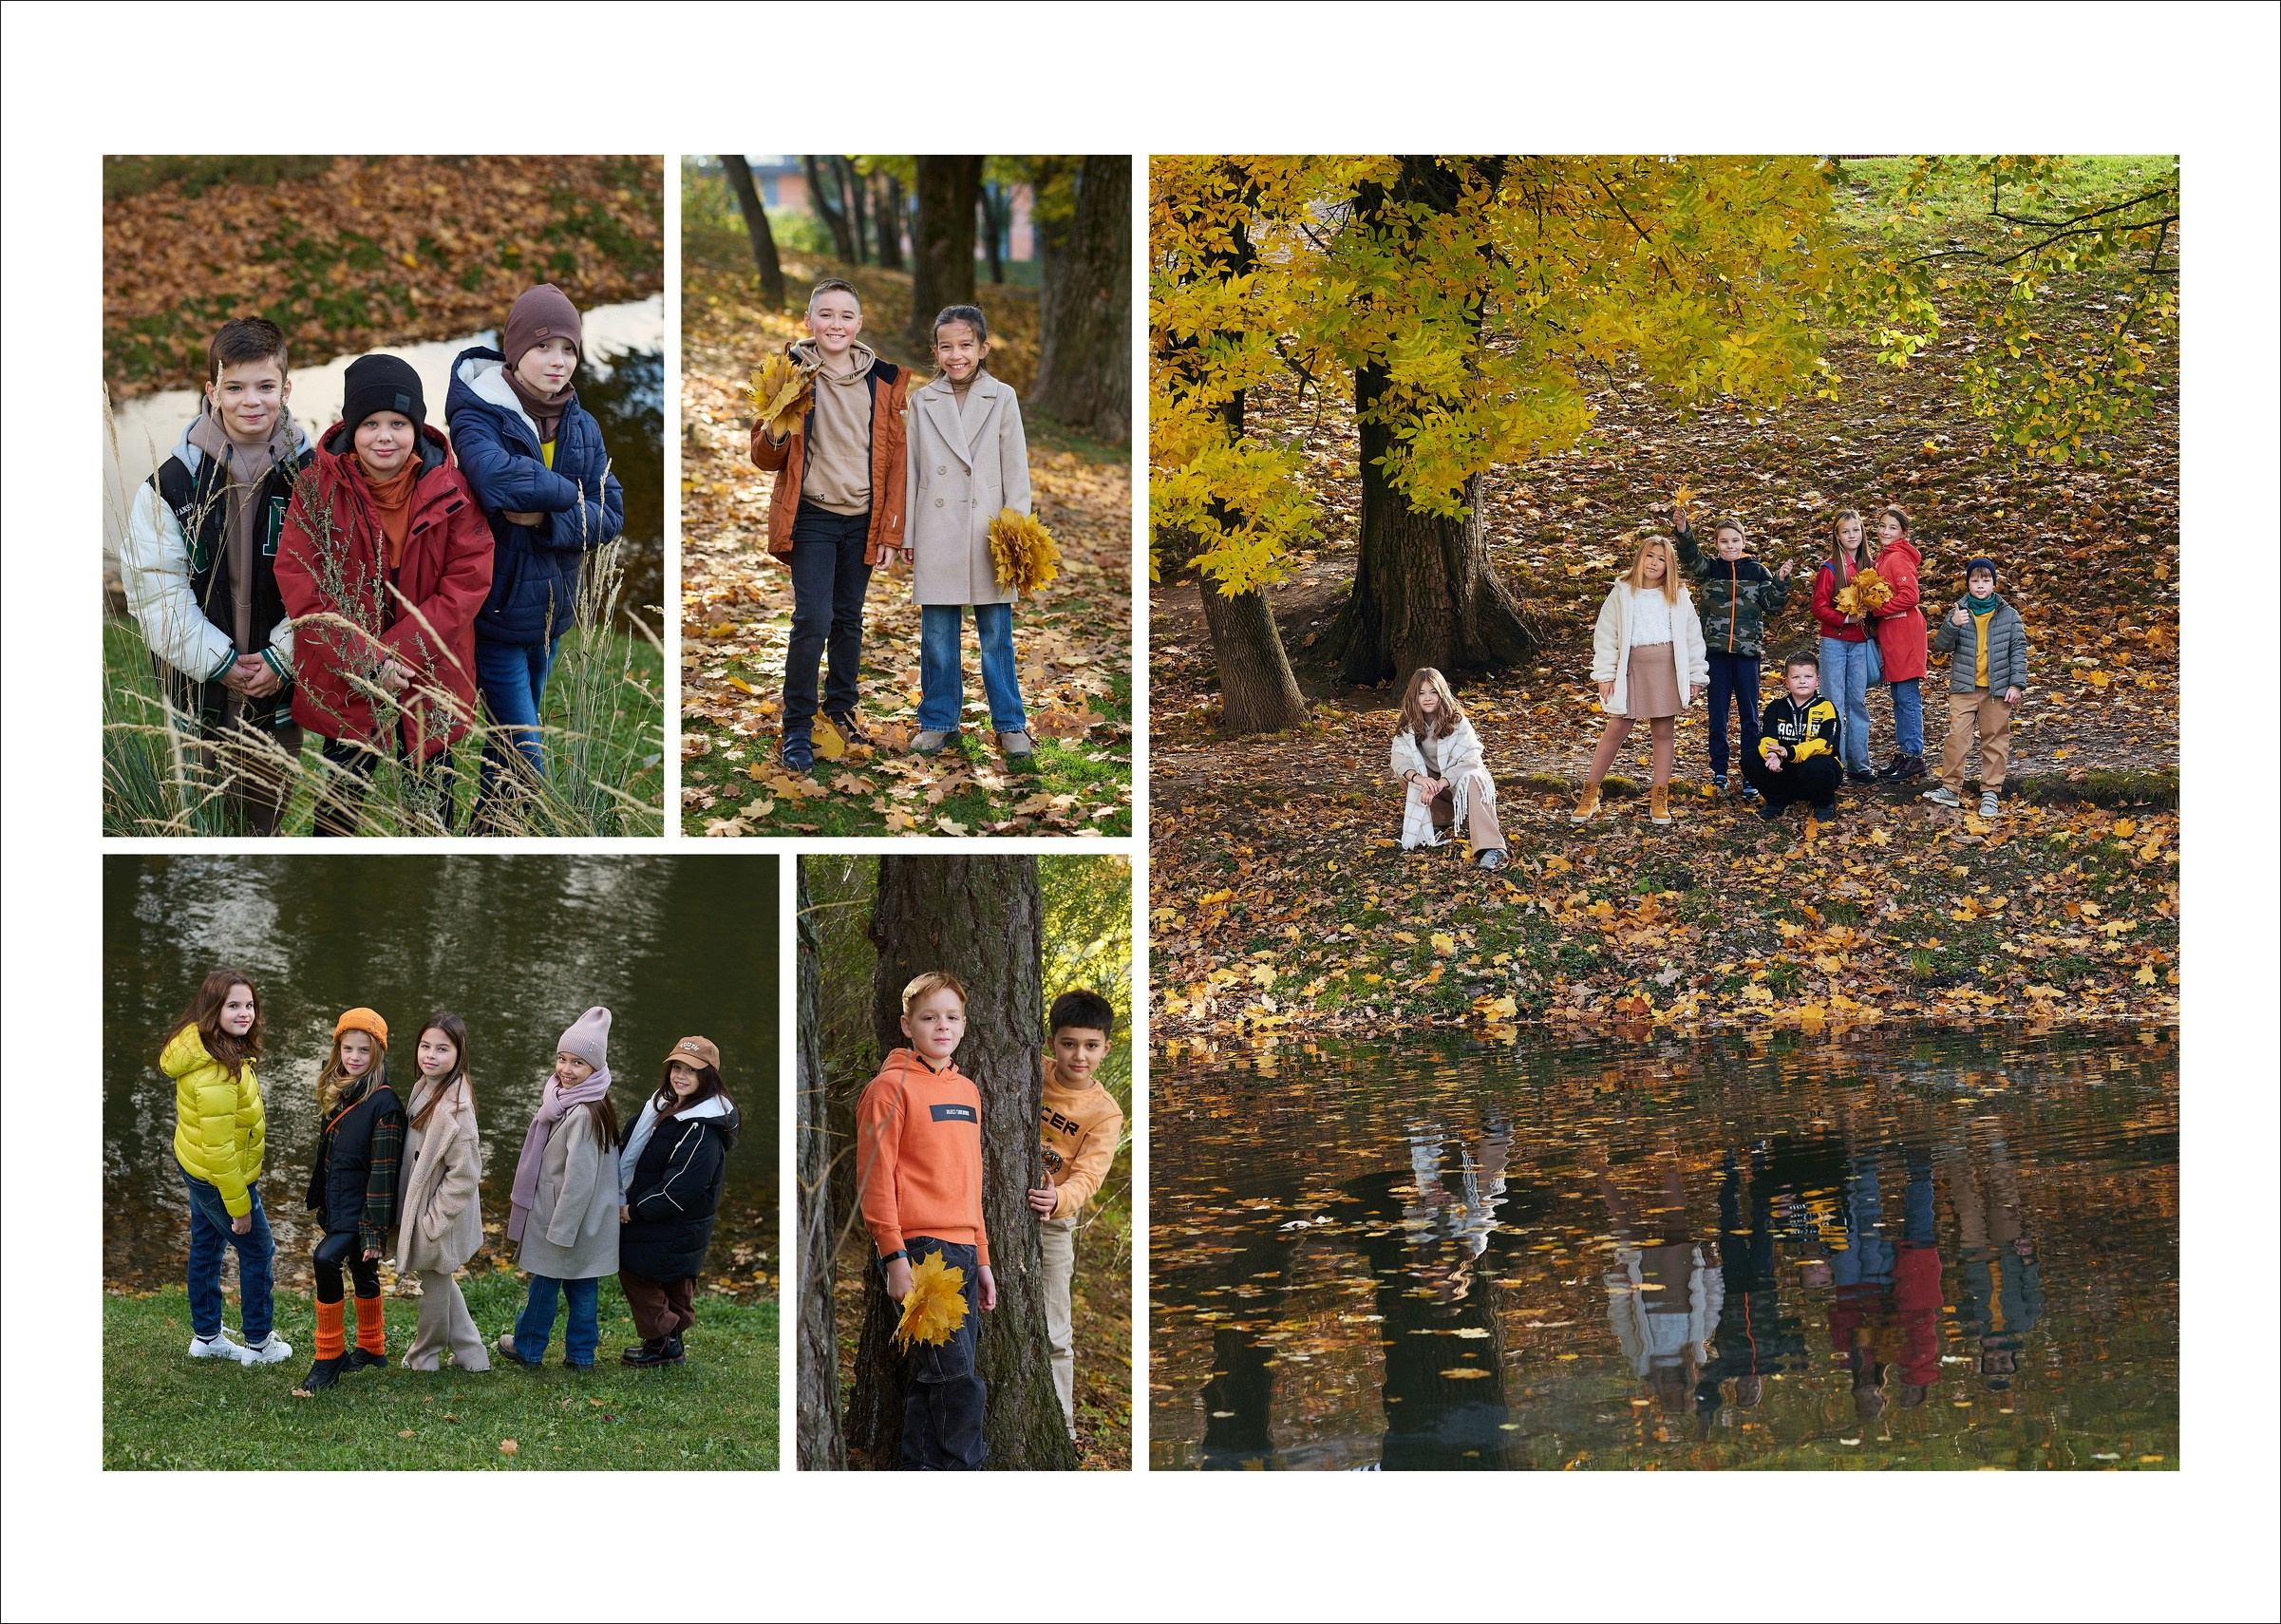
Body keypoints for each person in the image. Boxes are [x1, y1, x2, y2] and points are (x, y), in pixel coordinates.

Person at [274, 354, 494, 834]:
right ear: (351, 427)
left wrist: (395, 655)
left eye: (398, 422)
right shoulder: (316, 488)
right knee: (341, 801)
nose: (385, 436)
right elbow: (301, 583)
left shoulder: (450, 488)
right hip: (352, 674)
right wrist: (367, 661)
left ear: (418, 426)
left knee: (431, 799)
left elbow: (467, 582)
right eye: (370, 423)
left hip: (432, 670)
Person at [120, 318, 314, 833]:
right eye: (235, 387)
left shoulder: (314, 478)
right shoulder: (172, 485)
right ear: (212, 391)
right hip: (197, 686)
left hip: (280, 686)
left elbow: (329, 586)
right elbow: (156, 594)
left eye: (266, 387)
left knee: (264, 822)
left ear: (286, 389)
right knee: (202, 824)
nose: (252, 401)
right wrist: (221, 662)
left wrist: (283, 657)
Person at [446, 284, 625, 819]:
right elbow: (497, 481)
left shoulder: (581, 424)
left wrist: (550, 514)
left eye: (569, 349)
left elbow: (611, 514)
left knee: (507, 752)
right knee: (528, 759)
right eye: (544, 346)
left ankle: (486, 844)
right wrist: (571, 495)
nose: (558, 361)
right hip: (494, 618)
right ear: (517, 347)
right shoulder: (480, 413)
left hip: (552, 617)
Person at [749, 278, 911, 771]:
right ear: (808, 321)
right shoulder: (790, 375)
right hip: (814, 516)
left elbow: (897, 459)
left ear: (859, 325)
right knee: (812, 619)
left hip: (861, 519)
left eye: (845, 316)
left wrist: (889, 532)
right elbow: (764, 457)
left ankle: (840, 709)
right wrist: (777, 426)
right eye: (826, 315)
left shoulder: (881, 382)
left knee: (848, 620)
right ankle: (796, 725)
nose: (835, 324)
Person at [854, 972, 996, 1470]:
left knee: (935, 1376)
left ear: (964, 1024)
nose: (942, 1026)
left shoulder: (968, 1091)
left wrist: (981, 1258)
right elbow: (875, 1180)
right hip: (918, 1251)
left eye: (952, 1017)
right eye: (929, 1017)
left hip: (961, 1249)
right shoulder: (888, 1089)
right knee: (957, 1379)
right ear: (906, 1024)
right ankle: (961, 1470)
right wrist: (893, 1255)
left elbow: (970, 1180)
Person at [903, 305, 1033, 765]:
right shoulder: (922, 401)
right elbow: (912, 471)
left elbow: (1016, 470)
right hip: (937, 528)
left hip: (988, 532)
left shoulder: (1003, 397)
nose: (955, 355)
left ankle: (1011, 723)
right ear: (935, 351)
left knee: (996, 635)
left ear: (983, 348)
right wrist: (909, 534)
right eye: (946, 346)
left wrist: (1016, 535)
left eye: (964, 345)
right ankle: (938, 720)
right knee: (937, 635)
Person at [164, 969, 291, 1366]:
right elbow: (220, 1149)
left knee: (206, 1245)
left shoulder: (208, 1048)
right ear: (212, 1009)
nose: (244, 1013)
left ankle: (206, 1337)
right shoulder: (216, 1069)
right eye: (233, 1005)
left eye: (249, 1005)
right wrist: (238, 1207)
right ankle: (259, 1344)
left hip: (198, 1167)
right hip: (220, 1176)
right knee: (257, 1250)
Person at [498, 1007, 620, 1370]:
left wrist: (561, 1231)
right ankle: (581, 1355)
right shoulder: (576, 1102)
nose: (565, 1070)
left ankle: (528, 1348)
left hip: (563, 1219)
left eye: (577, 1064)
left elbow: (579, 1182)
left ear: (595, 1070)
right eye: (561, 1059)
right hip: (588, 1221)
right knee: (583, 1288)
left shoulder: (583, 1113)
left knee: (544, 1289)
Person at [1027, 990, 1124, 1442]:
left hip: (1053, 1220)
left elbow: (1089, 1176)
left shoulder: (1104, 1114)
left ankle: (1060, 1426)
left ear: (1106, 1047)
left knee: (1054, 1326)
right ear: (1052, 1043)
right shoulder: (1031, 1072)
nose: (1078, 1055)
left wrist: (1059, 1199)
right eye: (1069, 1044)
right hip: (992, 1204)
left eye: (1090, 1045)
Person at [617, 1036, 741, 1368]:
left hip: (674, 1224)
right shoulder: (665, 1107)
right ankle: (669, 1341)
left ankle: (663, 1341)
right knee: (672, 1279)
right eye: (677, 1067)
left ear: (709, 1077)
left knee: (635, 1268)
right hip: (673, 1225)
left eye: (692, 1070)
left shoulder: (702, 1128)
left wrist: (634, 1209)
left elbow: (677, 1188)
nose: (680, 1075)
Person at [298, 1009, 404, 1392]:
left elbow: (384, 1173)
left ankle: (328, 1355)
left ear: (378, 1053)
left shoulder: (385, 1105)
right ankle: (373, 1347)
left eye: (364, 1050)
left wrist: (374, 1232)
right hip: (341, 1206)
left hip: (363, 1214)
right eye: (348, 1048)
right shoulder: (343, 1091)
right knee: (362, 1273)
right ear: (338, 1049)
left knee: (325, 1259)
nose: (355, 1057)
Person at [1573, 535, 1708, 827]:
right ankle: (1591, 793)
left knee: (1663, 731)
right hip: (1630, 670)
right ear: (1640, 558)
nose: (1654, 563)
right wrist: (1605, 675)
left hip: (1667, 671)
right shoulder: (1622, 592)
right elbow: (1606, 636)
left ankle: (1659, 797)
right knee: (1616, 729)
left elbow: (1692, 636)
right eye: (1649, 556)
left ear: (1668, 565)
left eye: (1661, 559)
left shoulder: (1677, 593)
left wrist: (1696, 675)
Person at [1671, 500, 1794, 798]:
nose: (1730, 546)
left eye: (1735, 540)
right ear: (1716, 544)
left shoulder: (1757, 570)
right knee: (1718, 715)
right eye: (1724, 541)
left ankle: (1752, 773)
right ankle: (1719, 772)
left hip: (1747, 655)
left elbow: (1773, 605)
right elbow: (1691, 559)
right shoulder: (1710, 569)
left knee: (1751, 716)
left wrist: (1780, 581)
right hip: (1715, 654)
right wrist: (1683, 532)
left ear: (1743, 541)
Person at [396, 1012, 487, 1373]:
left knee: (434, 1284)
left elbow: (465, 1174)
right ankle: (472, 1353)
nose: (430, 1055)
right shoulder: (426, 1087)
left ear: (459, 1054)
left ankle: (425, 1356)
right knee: (438, 1278)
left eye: (442, 1049)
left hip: (439, 1215)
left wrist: (434, 1220)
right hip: (423, 1208)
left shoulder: (457, 1110)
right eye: (425, 1046)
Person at [1923, 558, 2028, 819]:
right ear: (1968, 583)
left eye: (1985, 580)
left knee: (1994, 738)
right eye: (1975, 581)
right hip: (1964, 686)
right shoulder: (1959, 611)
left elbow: (2018, 650)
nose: (1980, 586)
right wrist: (1952, 624)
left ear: (1994, 583)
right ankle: (1950, 788)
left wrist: (2016, 684)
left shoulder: (2008, 615)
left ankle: (1991, 792)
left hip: (1998, 689)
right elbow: (1941, 646)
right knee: (1957, 737)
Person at [1389, 667, 1508, 867]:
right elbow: (1399, 758)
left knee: (1474, 776)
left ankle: (1491, 846)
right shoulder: (1408, 725)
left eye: (1433, 692)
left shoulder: (1457, 722)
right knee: (1404, 773)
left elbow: (1471, 759)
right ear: (1413, 696)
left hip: (1457, 783)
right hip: (1434, 783)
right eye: (1421, 693)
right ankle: (1440, 818)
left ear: (1441, 694)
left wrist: (1442, 782)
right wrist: (1421, 779)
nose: (1427, 698)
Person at [1808, 508, 1880, 784]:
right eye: (1846, 531)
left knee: (1857, 704)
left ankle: (1859, 764)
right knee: (1833, 705)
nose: (1852, 535)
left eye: (1856, 530)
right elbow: (1818, 608)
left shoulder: (1868, 567)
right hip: (1835, 643)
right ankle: (1832, 764)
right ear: (1837, 537)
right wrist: (1845, 617)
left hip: (1860, 643)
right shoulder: (1829, 569)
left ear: (1862, 533)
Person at [1742, 651, 1845, 823]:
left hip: (1817, 774)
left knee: (1818, 763)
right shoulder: (1776, 707)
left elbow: (1825, 744)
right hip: (1784, 772)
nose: (1802, 681)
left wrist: (1790, 752)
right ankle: (1777, 800)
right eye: (1796, 677)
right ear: (1787, 681)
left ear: (1817, 681)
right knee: (1750, 759)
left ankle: (1824, 804)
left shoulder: (1826, 707)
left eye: (1808, 676)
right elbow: (1767, 737)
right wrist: (1773, 755)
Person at [1868, 505, 1929, 782]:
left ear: (1903, 533)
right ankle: (1904, 752)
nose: (1885, 531)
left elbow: (1911, 595)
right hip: (1892, 633)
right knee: (1898, 697)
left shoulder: (1898, 558)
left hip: (1904, 632)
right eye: (1882, 526)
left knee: (1906, 696)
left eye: (1892, 527)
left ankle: (1915, 755)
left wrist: (1876, 609)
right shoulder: (1882, 558)